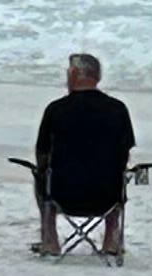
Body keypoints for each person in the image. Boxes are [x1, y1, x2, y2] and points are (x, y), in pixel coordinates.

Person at [32, 51, 138, 257]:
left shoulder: (56, 110)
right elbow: (125, 153)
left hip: (62, 195)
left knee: (41, 175)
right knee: (119, 174)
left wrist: (43, 170)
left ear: (75, 74)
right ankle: (111, 239)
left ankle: (50, 240)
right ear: (96, 77)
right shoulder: (117, 109)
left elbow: (42, 154)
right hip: (106, 197)